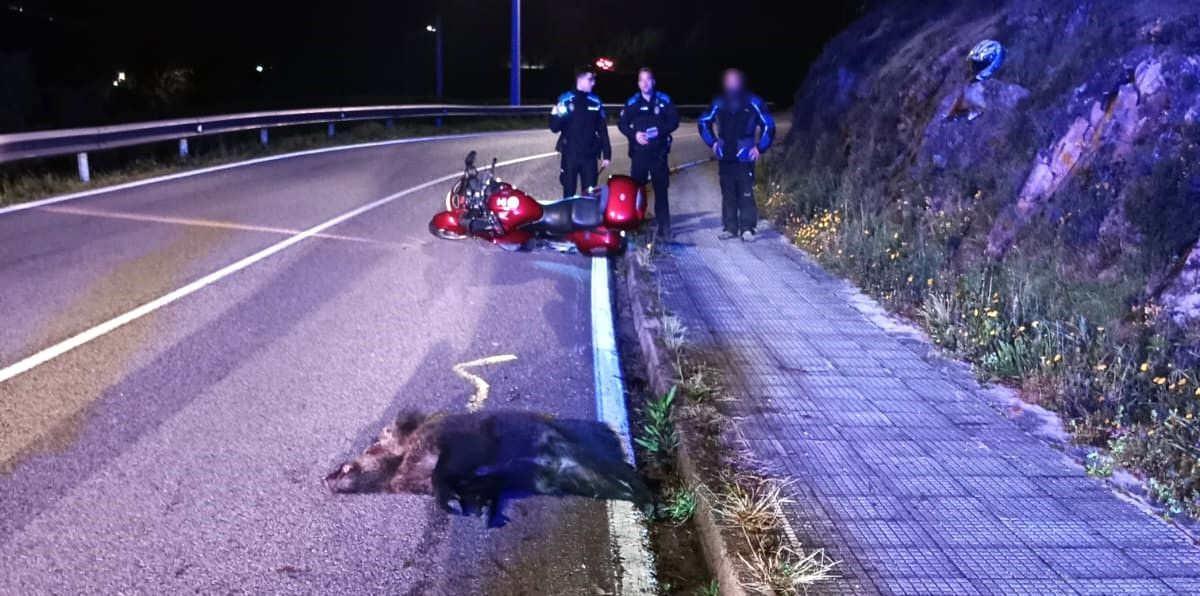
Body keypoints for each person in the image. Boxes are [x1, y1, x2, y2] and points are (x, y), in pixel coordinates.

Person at [698, 68, 775, 242]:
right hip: (725, 156)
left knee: (746, 193)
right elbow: (703, 122)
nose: (731, 83)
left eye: (734, 80)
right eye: (728, 80)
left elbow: (769, 126)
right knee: (728, 193)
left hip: (745, 157)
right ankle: (730, 228)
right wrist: (713, 142)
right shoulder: (719, 102)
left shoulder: (753, 101)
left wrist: (760, 148)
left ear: (741, 82)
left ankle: (748, 228)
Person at [619, 67, 680, 241]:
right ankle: (634, 228)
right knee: (636, 192)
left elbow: (674, 121)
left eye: (648, 79)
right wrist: (634, 135)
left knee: (661, 191)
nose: (645, 83)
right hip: (639, 154)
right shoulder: (633, 102)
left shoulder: (664, 100)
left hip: (659, 154)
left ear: (653, 82)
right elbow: (622, 124)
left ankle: (664, 230)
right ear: (638, 83)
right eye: (641, 80)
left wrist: (660, 131)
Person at [549, 66, 612, 197]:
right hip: (570, 155)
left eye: (594, 79)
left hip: (590, 157)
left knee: (589, 196)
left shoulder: (595, 102)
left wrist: (607, 154)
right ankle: (568, 211)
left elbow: (602, 129)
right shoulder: (565, 100)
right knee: (568, 195)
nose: (593, 83)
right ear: (580, 79)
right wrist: (557, 114)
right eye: (590, 79)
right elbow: (554, 127)